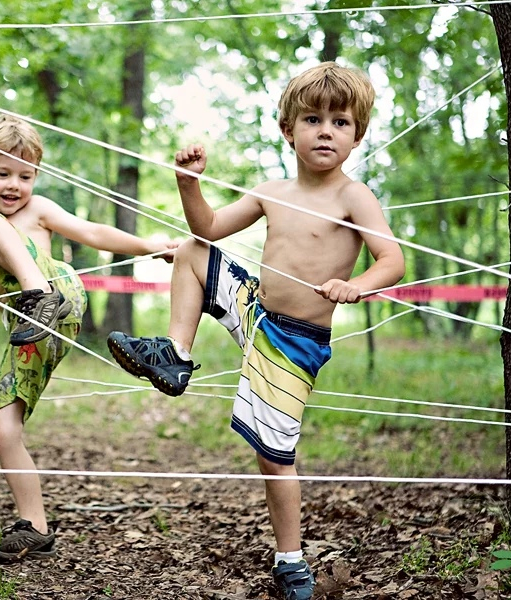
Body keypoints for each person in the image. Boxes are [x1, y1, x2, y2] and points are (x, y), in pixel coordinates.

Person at [107, 62, 405, 599]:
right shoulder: (272, 190)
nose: (325, 130)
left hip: (295, 340)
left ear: (357, 135)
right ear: (289, 130)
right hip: (256, 312)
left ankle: (290, 559)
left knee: (274, 456)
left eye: (340, 122)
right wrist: (187, 183)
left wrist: (357, 284)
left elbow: (393, 259)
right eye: (313, 119)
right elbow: (209, 228)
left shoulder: (353, 197)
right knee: (193, 251)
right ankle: (174, 353)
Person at [0, 114, 177, 562]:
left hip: (57, 299)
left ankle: (38, 294)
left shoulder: (30, 212)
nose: (15, 186)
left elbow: (92, 233)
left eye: (25, 176)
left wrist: (149, 245)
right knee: (2, 427)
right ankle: (36, 528)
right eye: (2, 174)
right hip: (31, 327)